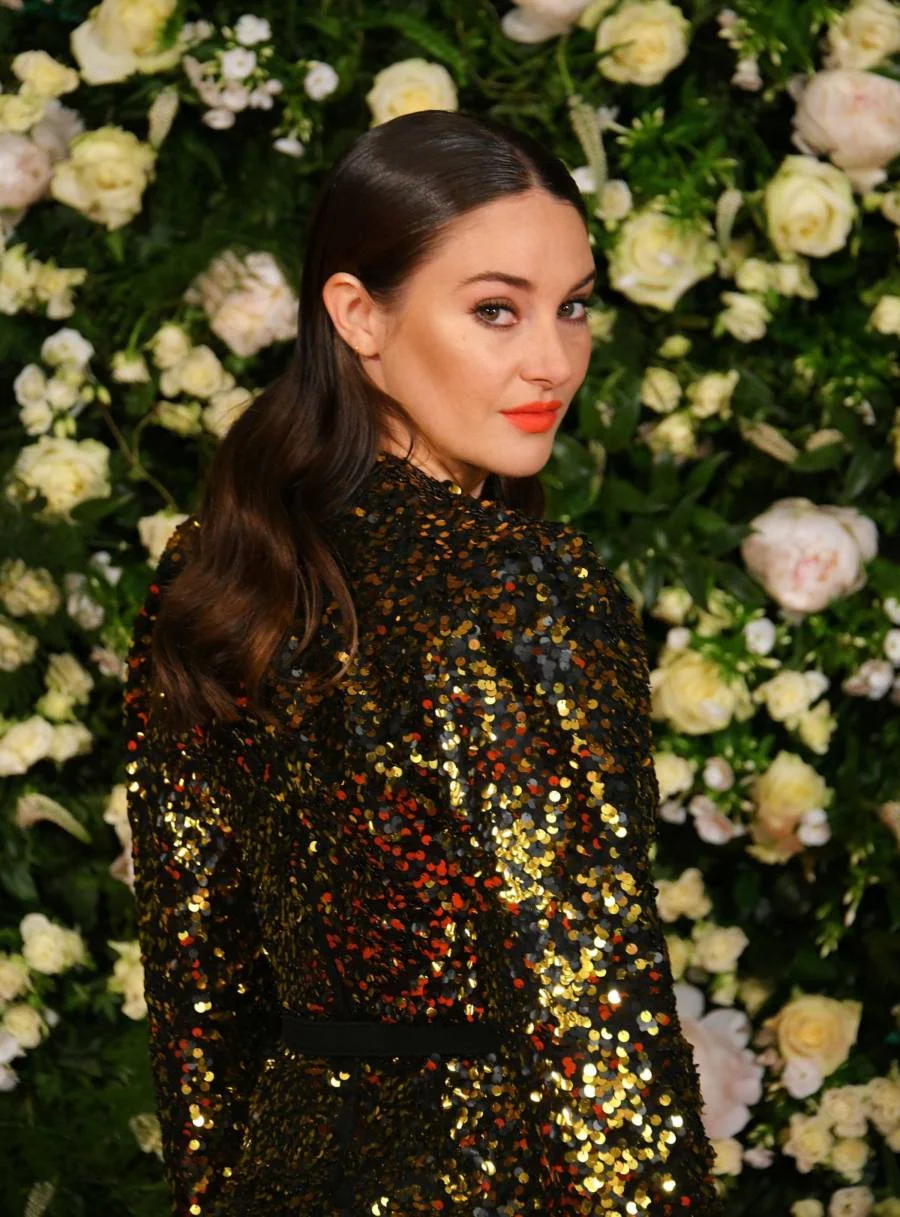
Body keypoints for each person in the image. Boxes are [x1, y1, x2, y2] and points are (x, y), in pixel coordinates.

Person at [123, 109, 721, 1217]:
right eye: (497, 309)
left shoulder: (216, 570)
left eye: (574, 305)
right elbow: (593, 1006)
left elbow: (198, 996)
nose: (553, 359)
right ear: (357, 314)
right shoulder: (525, 585)